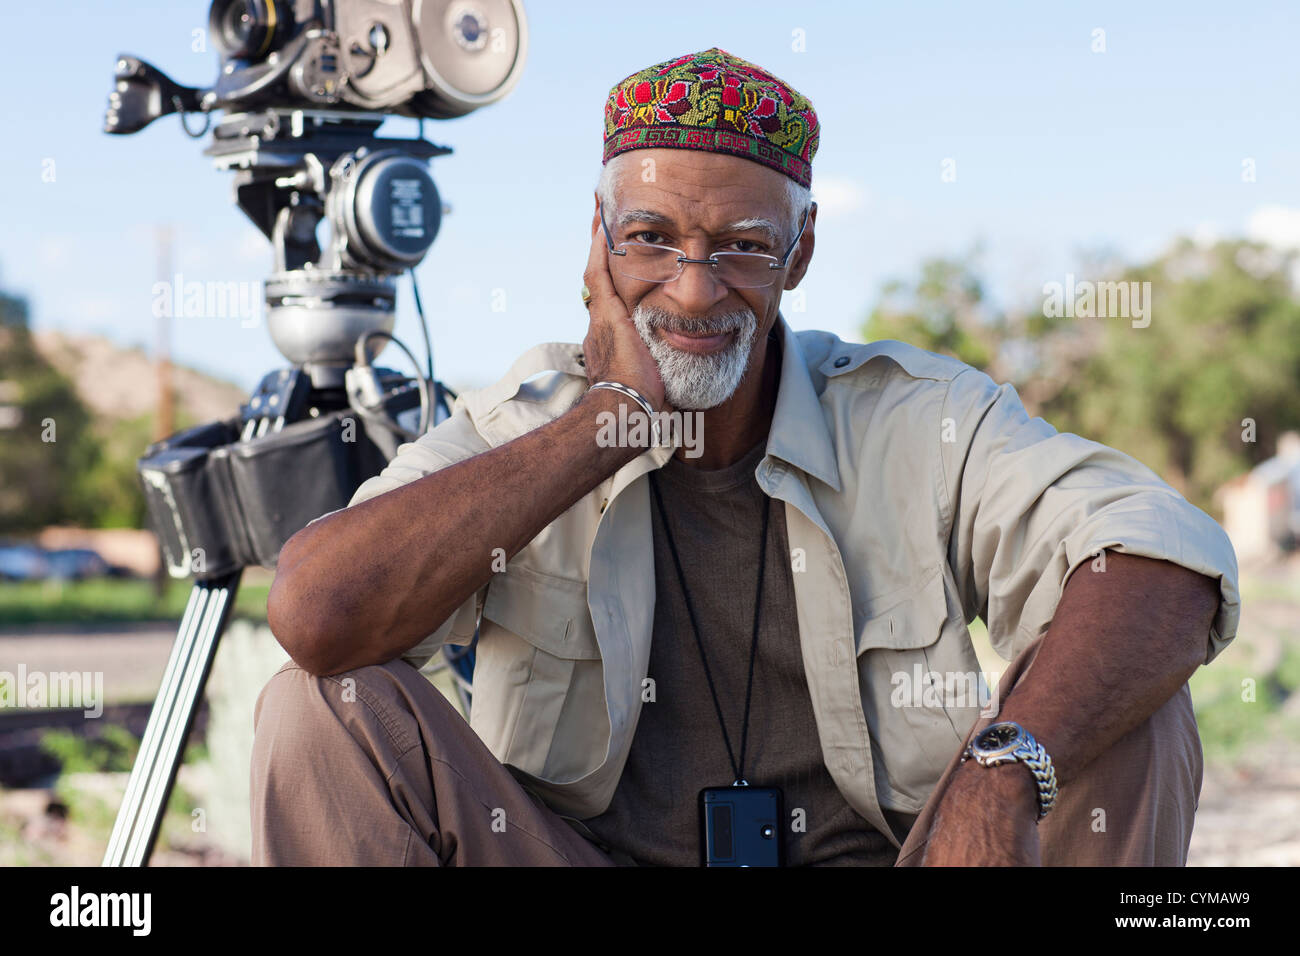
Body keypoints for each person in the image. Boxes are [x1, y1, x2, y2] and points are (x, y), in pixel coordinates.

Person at [250, 47, 1238, 867]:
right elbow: (315, 614)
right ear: (598, 246)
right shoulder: (527, 425)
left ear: (799, 255)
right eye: (650, 238)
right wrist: (609, 421)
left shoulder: (913, 418)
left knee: (1129, 711)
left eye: (740, 247)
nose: (691, 290)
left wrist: (1006, 765)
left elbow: (1158, 560)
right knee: (320, 704)